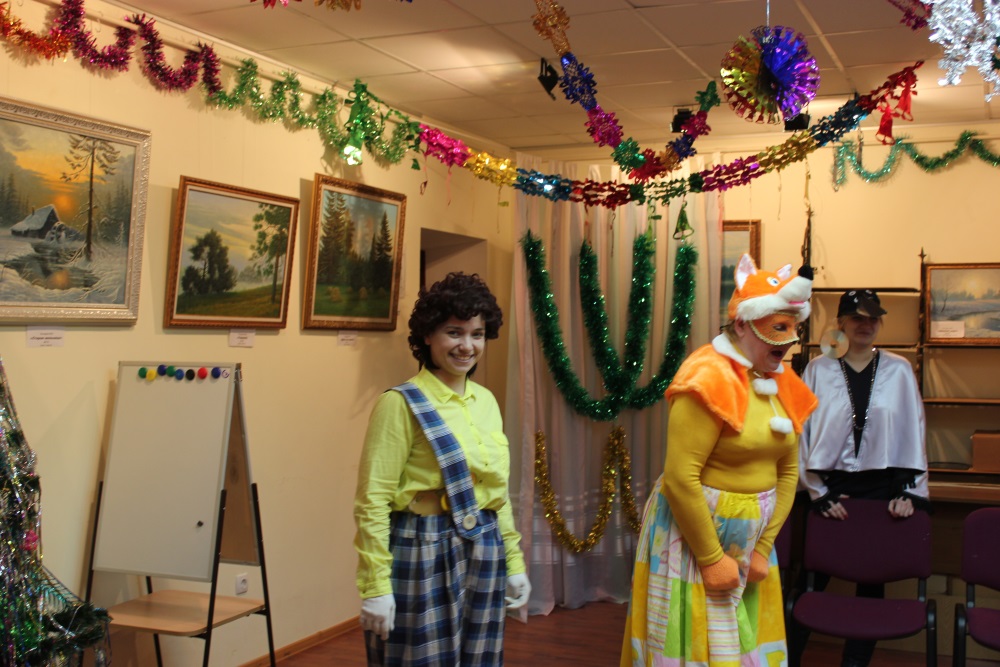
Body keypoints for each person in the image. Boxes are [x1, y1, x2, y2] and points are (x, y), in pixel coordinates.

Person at [621, 254, 818, 667]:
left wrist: (763, 546)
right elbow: (680, 477)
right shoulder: (706, 377)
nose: (791, 341)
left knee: (748, 652)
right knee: (692, 650)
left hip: (751, 545)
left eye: (794, 328)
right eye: (779, 328)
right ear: (743, 324)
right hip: (694, 541)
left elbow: (788, 471)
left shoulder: (781, 381)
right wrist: (711, 558)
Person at [353, 272, 531, 667]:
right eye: (454, 332)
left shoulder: (486, 401)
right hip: (421, 548)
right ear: (428, 336)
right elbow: (372, 502)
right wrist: (375, 585)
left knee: (481, 659)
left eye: (477, 334)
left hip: (485, 546)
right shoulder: (399, 404)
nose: (467, 346)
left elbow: (496, 495)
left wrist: (514, 562)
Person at [789, 288, 929, 667]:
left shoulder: (900, 369)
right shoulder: (818, 369)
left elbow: (913, 429)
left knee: (871, 580)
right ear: (841, 323)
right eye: (856, 318)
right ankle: (784, 660)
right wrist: (817, 492)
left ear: (880, 323)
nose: (865, 325)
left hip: (881, 491)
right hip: (830, 490)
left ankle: (854, 663)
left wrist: (910, 492)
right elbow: (802, 432)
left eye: (872, 319)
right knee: (811, 581)